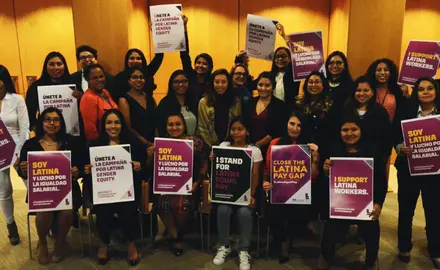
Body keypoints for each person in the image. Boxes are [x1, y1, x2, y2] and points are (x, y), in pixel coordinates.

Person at [317, 118, 387, 270]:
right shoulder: (332, 150)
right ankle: (326, 256)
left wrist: (378, 204)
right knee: (329, 230)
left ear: (361, 131)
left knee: (372, 229)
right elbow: (324, 184)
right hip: (340, 204)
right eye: (345, 130)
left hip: (365, 203)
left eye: (354, 129)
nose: (349, 133)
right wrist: (326, 172)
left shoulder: (372, 151)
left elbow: (381, 182)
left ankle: (371, 261)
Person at [18, 107, 83, 264]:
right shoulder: (30, 144)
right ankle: (43, 244)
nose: (52, 123)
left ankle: (60, 244)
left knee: (67, 211)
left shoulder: (70, 142)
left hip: (67, 189)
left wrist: (77, 171)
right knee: (44, 211)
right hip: (42, 190)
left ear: (61, 123)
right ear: (42, 123)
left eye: (56, 120)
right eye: (48, 119)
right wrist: (23, 169)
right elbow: (23, 173)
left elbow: (82, 167)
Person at [84, 109, 145, 266]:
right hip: (104, 191)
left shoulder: (133, 143)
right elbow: (88, 175)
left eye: (117, 122)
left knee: (128, 208)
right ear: (103, 125)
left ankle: (131, 244)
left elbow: (143, 169)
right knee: (103, 209)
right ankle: (103, 243)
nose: (113, 126)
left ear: (122, 124)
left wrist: (139, 167)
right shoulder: (95, 145)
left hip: (128, 190)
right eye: (109, 122)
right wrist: (88, 171)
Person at [393, 77, 440, 269]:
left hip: (435, 172)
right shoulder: (405, 111)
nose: (426, 92)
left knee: (435, 211)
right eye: (421, 89)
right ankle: (404, 246)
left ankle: (436, 250)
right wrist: (399, 147)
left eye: (430, 88)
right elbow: (394, 134)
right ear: (416, 92)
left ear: (436, 91)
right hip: (408, 169)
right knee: (406, 210)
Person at [147, 113, 208, 256]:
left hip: (188, 185)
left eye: (178, 124)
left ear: (184, 126)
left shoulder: (195, 142)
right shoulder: (160, 143)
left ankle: (175, 229)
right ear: (166, 127)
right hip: (165, 185)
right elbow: (149, 168)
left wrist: (197, 182)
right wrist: (151, 155)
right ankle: (175, 236)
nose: (174, 128)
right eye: (170, 124)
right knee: (162, 204)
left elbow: (205, 164)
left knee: (182, 205)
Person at [262, 111, 319, 264]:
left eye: (299, 125)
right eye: (292, 124)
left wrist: (314, 159)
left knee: (299, 213)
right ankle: (281, 240)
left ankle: (285, 243)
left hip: (300, 192)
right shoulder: (275, 143)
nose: (295, 128)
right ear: (286, 124)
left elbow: (312, 177)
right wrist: (265, 182)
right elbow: (268, 169)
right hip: (279, 191)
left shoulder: (308, 146)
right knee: (273, 215)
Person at [211, 116, 262, 270]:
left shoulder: (254, 150)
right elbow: (218, 170)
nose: (236, 132)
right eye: (233, 129)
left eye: (240, 129)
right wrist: (213, 159)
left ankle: (244, 250)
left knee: (245, 213)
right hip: (226, 194)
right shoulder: (223, 145)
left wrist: (251, 195)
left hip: (245, 195)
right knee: (222, 210)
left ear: (247, 132)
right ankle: (224, 245)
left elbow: (255, 176)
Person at [0, 65, 30, 245]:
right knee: (4, 191)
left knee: (32, 185)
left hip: (17, 147)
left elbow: (24, 127)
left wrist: (20, 152)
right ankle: (11, 226)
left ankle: (49, 219)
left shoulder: (17, 99)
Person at [25, 52, 81, 131]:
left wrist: (80, 98)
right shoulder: (35, 87)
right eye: (51, 64)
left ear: (64, 66)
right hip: (46, 133)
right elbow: (29, 113)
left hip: (72, 130)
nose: (56, 67)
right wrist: (37, 129)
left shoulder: (74, 84)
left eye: (59, 64)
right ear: (46, 66)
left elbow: (84, 109)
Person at [343, 76, 392, 161]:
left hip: (374, 161)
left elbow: (387, 139)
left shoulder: (381, 112)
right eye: (358, 90)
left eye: (366, 90)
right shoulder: (345, 110)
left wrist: (382, 158)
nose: (362, 94)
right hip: (346, 158)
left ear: (372, 92)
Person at [198, 69, 241, 147]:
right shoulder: (203, 102)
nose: (220, 85)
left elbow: (237, 126)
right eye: (217, 82)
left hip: (230, 147)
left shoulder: (236, 102)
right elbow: (202, 128)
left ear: (228, 83)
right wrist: (213, 148)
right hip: (208, 147)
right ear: (212, 83)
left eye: (224, 82)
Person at [296, 71, 337, 152]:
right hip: (302, 146)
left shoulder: (331, 105)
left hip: (324, 147)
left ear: (323, 85)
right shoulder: (298, 104)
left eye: (317, 82)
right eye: (310, 82)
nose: (313, 85)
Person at [118, 67, 157, 146]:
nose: (138, 80)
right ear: (128, 80)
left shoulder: (150, 98)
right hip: (135, 144)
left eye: (141, 77)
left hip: (154, 144)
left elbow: (157, 121)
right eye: (134, 77)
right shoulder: (124, 100)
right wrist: (146, 143)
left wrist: (156, 141)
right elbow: (128, 127)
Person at [249, 72, 285, 156]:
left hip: (270, 150)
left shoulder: (280, 105)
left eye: (267, 85)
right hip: (250, 149)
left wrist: (257, 145)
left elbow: (277, 131)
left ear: (273, 87)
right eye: (260, 85)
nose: (263, 88)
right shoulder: (250, 102)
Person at [79, 64, 118, 141]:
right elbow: (90, 129)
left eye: (101, 76)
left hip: (112, 139)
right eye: (95, 78)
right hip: (100, 143)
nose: (100, 80)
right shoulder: (88, 98)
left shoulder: (105, 92)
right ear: (88, 80)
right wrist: (102, 144)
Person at [180, 15, 214, 101]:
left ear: (210, 67)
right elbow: (184, 54)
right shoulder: (189, 75)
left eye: (205, 64)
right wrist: (184, 29)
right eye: (198, 62)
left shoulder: (213, 80)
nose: (200, 65)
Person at [156, 70, 198, 137]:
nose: (181, 84)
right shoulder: (164, 103)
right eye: (176, 82)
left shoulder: (194, 101)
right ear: (171, 85)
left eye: (184, 81)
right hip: (171, 144)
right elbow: (160, 128)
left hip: (192, 143)